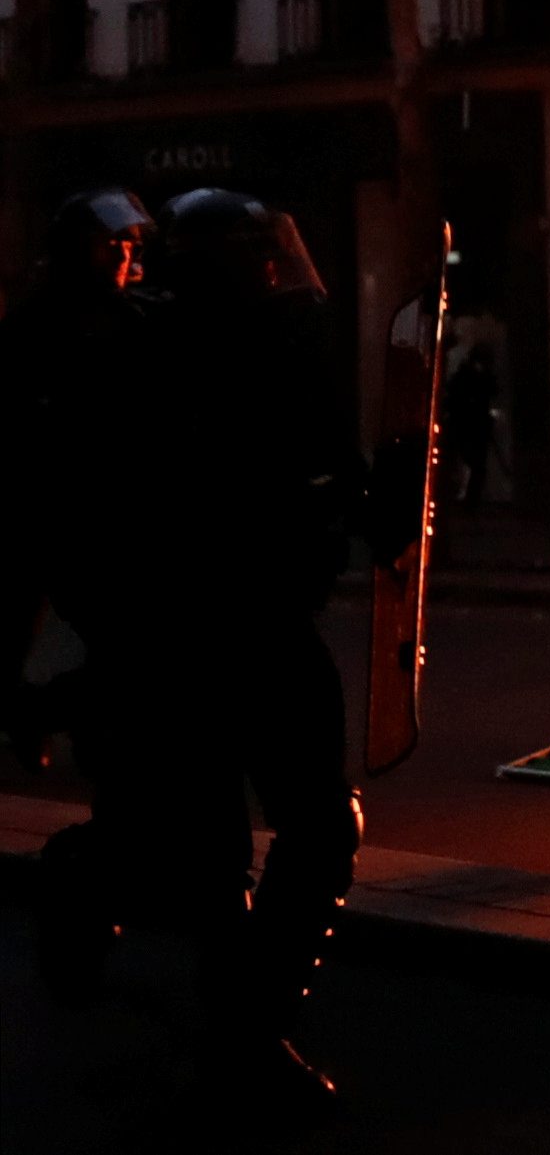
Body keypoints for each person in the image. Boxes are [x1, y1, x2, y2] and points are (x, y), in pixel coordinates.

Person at [40, 188, 368, 1107]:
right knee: (206, 859)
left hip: (272, 622)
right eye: (253, 253)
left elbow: (326, 464)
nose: (274, 268)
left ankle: (247, 1029)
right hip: (182, 638)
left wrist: (363, 502)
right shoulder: (136, 357)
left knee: (319, 825)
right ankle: (94, 890)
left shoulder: (283, 346)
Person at [0, 189, 155, 775]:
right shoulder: (35, 324)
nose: (122, 253)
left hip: (109, 511)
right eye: (108, 242)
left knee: (126, 640)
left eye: (128, 243)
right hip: (41, 507)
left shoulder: (137, 318)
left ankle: (57, 717)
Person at [442, 341, 500, 506]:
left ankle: (470, 501)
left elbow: (491, 392)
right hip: (463, 425)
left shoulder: (481, 378)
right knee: (462, 463)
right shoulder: (464, 377)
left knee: (476, 466)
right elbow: (454, 398)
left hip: (475, 427)